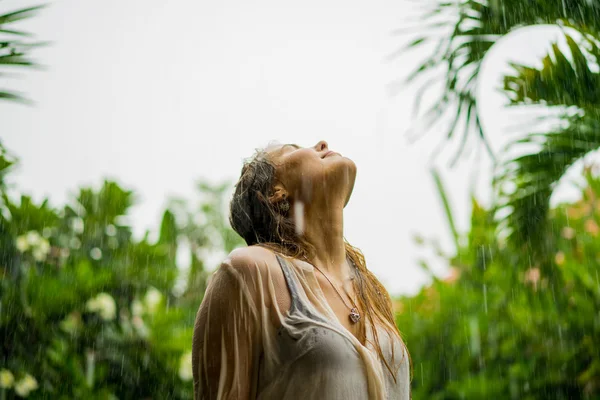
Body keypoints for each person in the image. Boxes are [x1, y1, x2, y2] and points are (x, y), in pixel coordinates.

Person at [192, 140, 412, 399]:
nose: (322, 144)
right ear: (276, 192)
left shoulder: (371, 292)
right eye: (292, 149)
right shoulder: (248, 272)